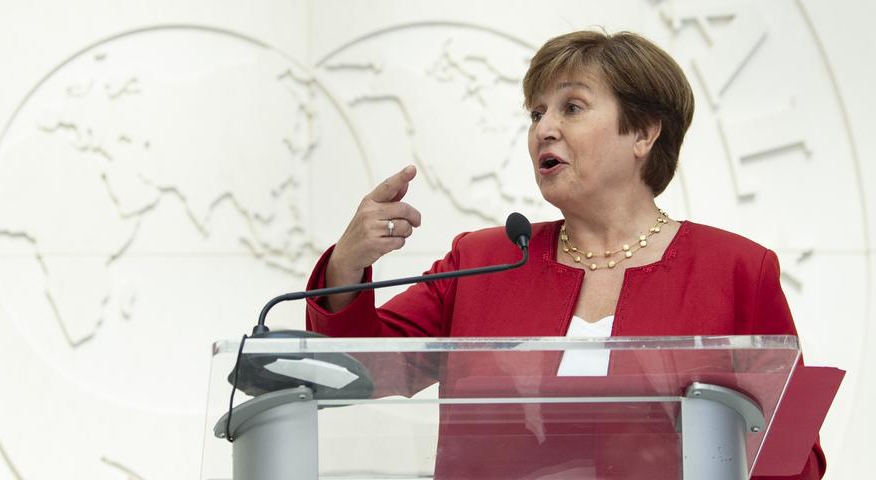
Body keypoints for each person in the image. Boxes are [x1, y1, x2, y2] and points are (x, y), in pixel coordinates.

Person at [304, 30, 825, 479]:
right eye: (537, 113)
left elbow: (795, 457)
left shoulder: (737, 271)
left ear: (643, 133)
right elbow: (363, 371)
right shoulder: (482, 260)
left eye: (571, 107)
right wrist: (347, 266)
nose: (543, 129)